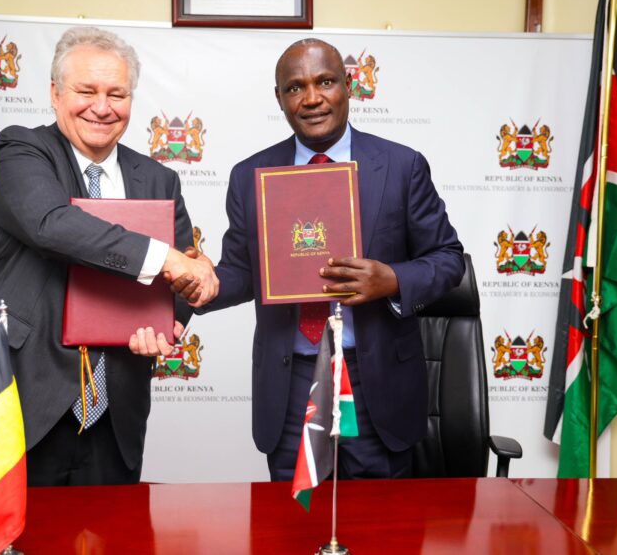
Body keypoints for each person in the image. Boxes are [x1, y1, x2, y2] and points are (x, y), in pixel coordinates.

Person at [0, 26, 217, 486]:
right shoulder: (21, 150)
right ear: (55, 93)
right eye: (86, 91)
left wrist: (174, 311)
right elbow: (52, 225)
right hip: (13, 397)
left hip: (115, 414)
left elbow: (181, 274)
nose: (102, 107)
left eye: (116, 94)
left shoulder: (158, 179)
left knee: (109, 527)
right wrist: (167, 258)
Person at [180, 38, 464, 480]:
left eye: (325, 82)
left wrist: (391, 279)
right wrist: (206, 281)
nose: (311, 98)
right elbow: (244, 271)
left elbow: (448, 259)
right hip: (291, 382)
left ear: (348, 86)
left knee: (378, 519)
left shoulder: (401, 166)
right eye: (295, 87)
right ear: (279, 98)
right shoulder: (250, 176)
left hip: (374, 382)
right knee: (296, 515)